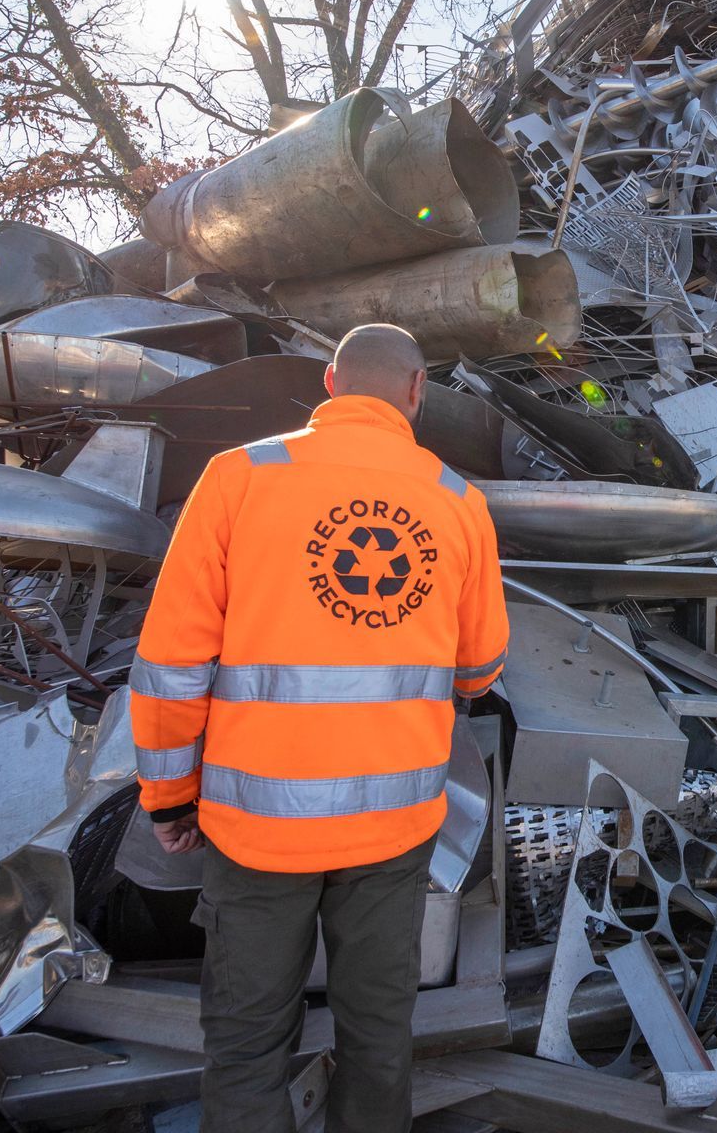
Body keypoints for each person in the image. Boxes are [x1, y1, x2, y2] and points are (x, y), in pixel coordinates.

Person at [129, 323, 508, 1133]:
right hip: (392, 828)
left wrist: (167, 797)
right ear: (416, 391)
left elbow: (170, 662)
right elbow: (481, 668)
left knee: (244, 1041)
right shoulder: (459, 502)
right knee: (378, 1036)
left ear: (331, 383)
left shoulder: (238, 476)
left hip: (257, 827)